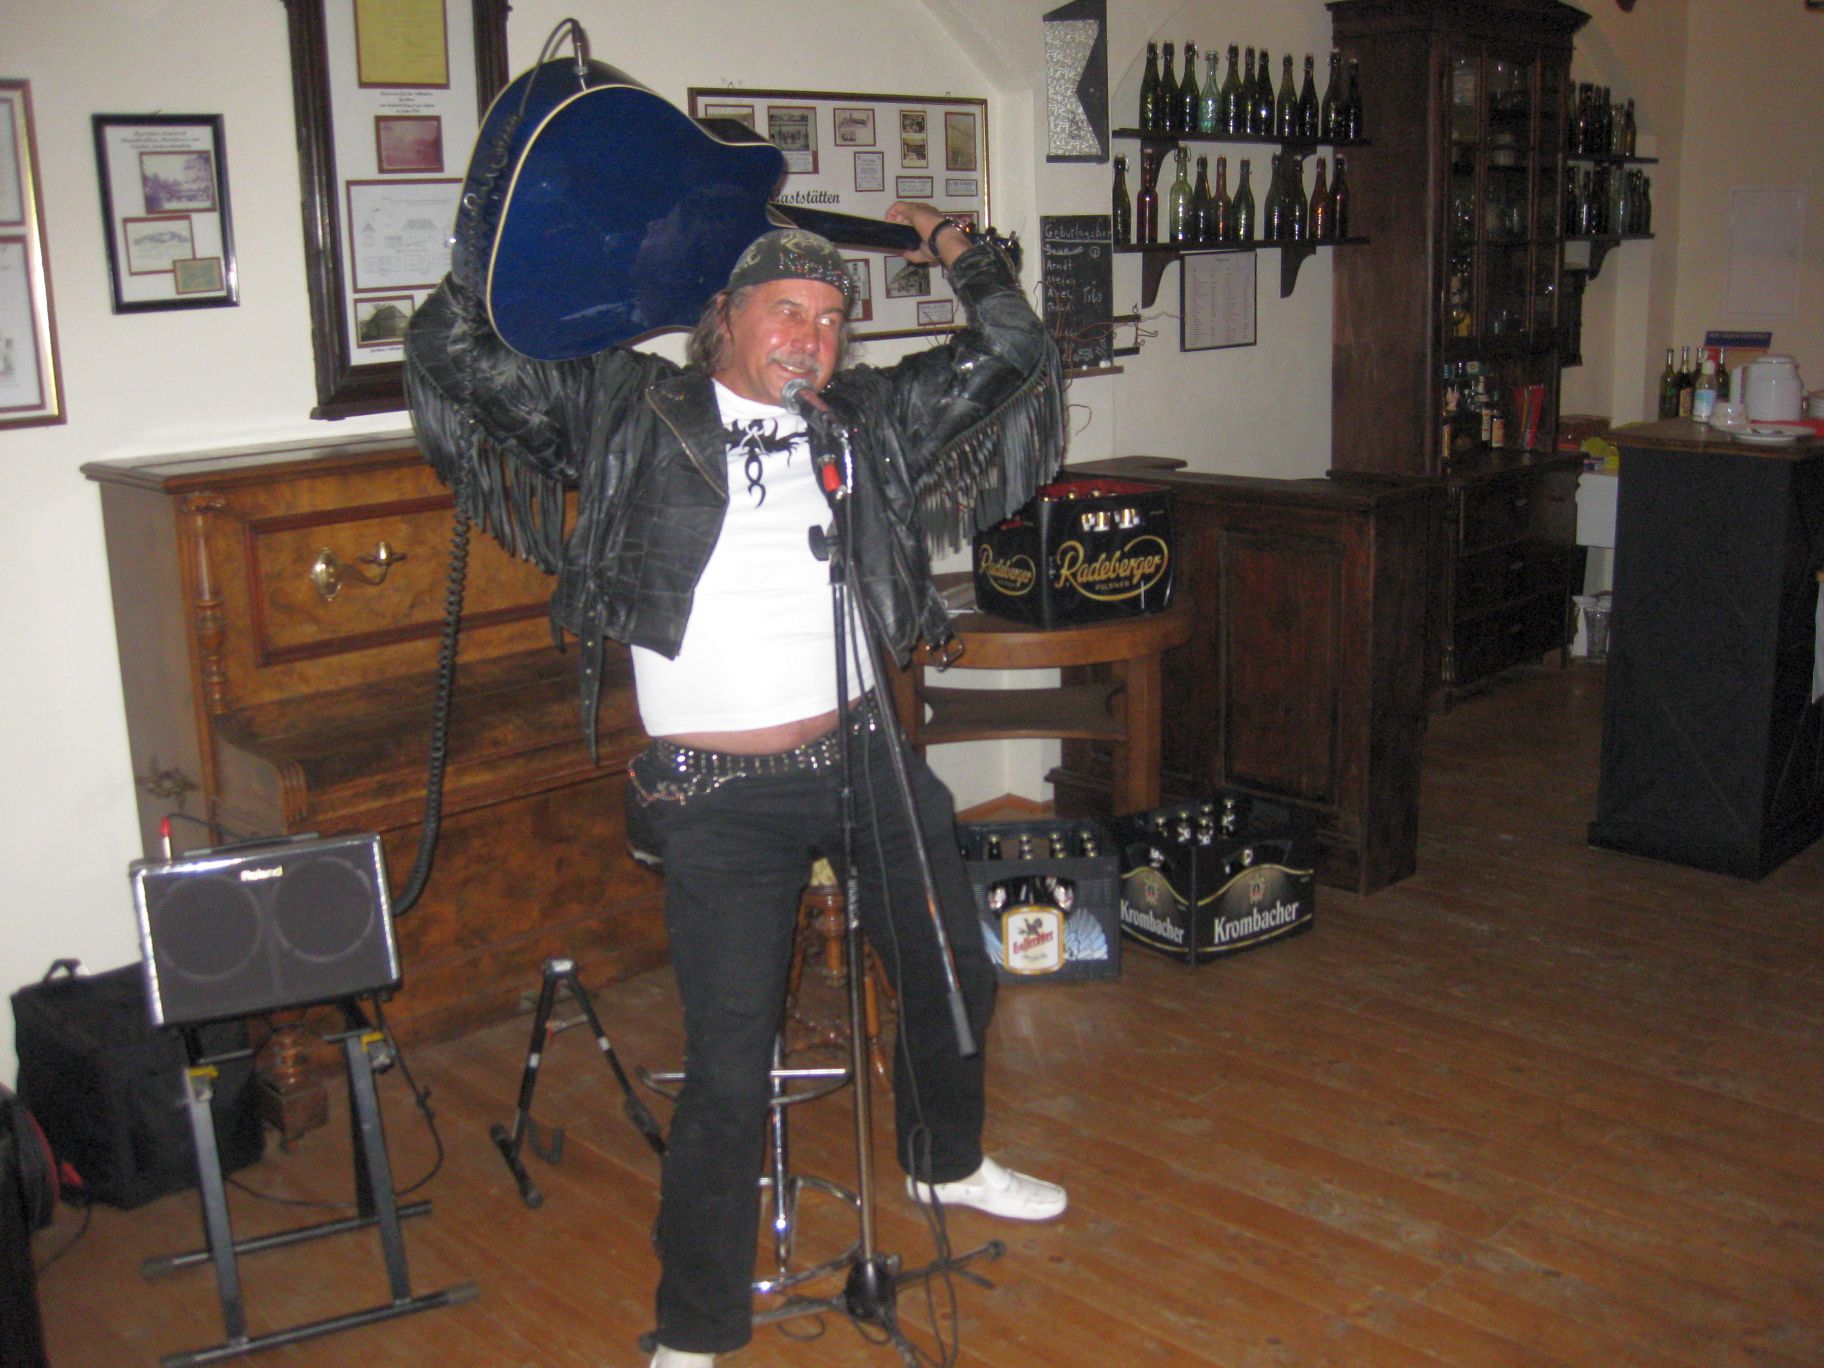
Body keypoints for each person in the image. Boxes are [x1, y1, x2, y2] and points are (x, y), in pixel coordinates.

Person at [405, 202, 1068, 1367]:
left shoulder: (864, 418)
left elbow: (1014, 352)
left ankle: (945, 1159)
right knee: (728, 1066)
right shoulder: (630, 409)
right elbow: (449, 351)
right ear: (726, 317)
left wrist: (956, 246)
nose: (813, 337)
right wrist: (520, 214)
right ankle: (695, 1327)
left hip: (862, 753)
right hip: (717, 793)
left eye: (832, 318)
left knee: (954, 969)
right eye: (788, 311)